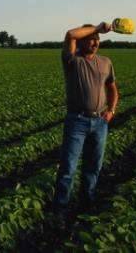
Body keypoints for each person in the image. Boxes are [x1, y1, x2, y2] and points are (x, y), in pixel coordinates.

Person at [53, 22, 119, 217]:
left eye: (97, 39)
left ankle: (86, 204)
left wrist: (111, 111)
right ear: (81, 42)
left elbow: (113, 88)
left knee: (93, 167)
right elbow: (70, 34)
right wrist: (98, 27)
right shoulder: (72, 61)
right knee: (68, 168)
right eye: (91, 39)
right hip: (77, 121)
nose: (95, 42)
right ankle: (60, 210)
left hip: (100, 122)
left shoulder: (106, 62)